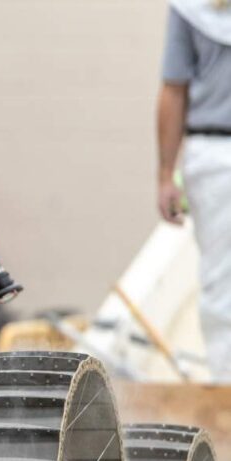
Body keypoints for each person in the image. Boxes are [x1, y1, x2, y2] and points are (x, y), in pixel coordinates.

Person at [158, 0, 231, 380]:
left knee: (221, 286)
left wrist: (166, 174)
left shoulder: (189, 9)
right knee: (222, 285)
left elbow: (173, 90)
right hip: (215, 158)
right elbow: (174, 90)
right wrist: (166, 174)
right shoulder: (190, 9)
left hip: (213, 155)